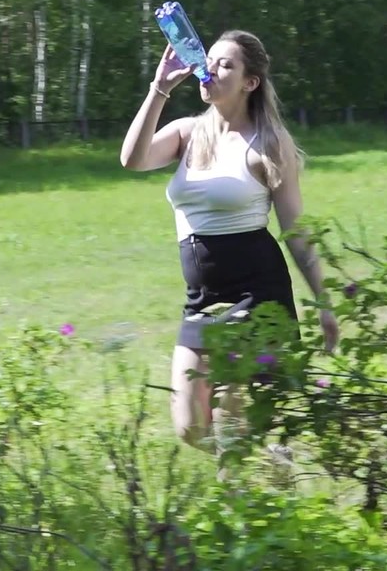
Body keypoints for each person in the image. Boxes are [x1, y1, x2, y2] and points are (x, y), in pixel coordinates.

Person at [119, 28, 340, 477]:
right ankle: (275, 465)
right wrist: (159, 88)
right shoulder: (186, 133)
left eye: (226, 65)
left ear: (249, 82)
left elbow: (295, 231)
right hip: (202, 299)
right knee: (190, 427)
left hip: (256, 295)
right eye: (209, 60)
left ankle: (246, 499)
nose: (211, 70)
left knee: (230, 423)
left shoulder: (268, 143)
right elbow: (133, 159)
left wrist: (324, 302)